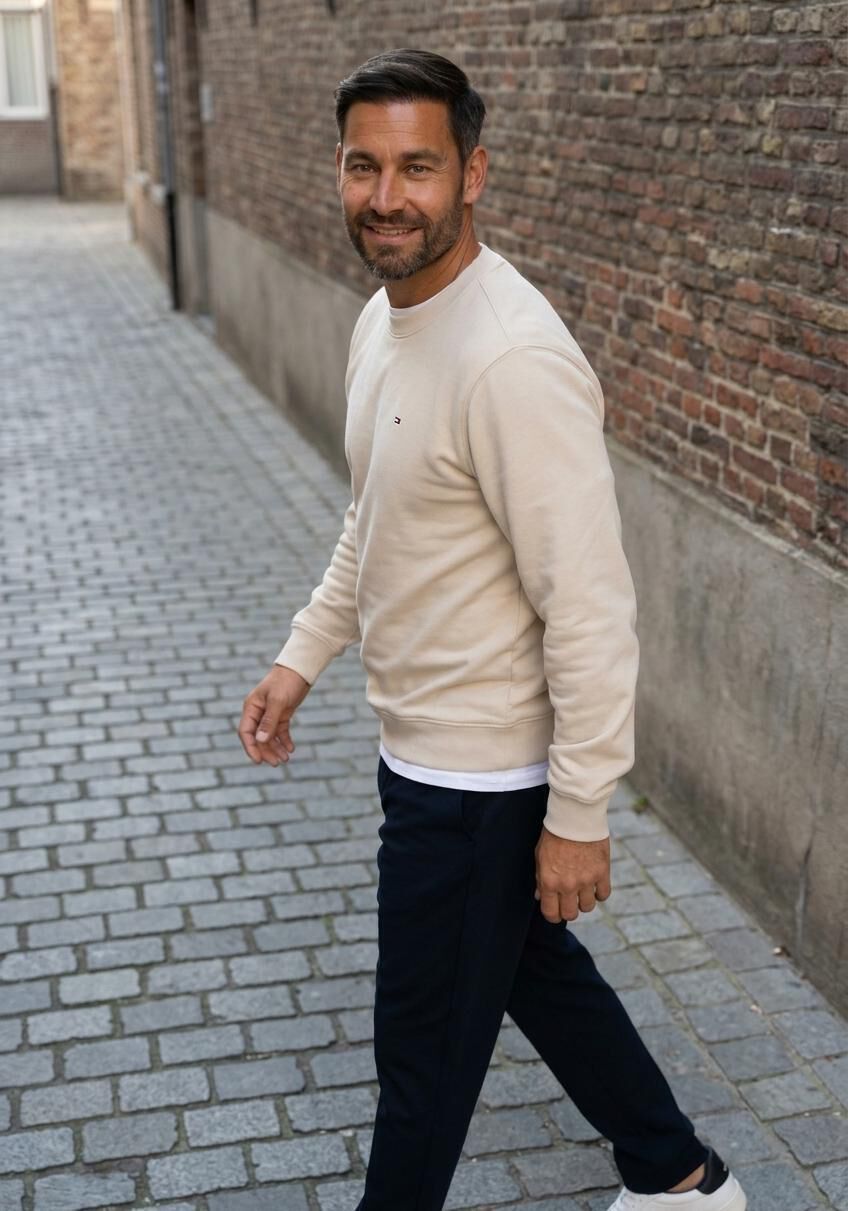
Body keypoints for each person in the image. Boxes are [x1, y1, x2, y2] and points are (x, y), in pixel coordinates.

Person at [238, 48, 747, 1211]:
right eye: (363, 165)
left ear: (471, 175)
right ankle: (676, 1175)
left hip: (476, 784)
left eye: (416, 167)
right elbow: (377, 517)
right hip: (420, 753)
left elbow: (591, 607)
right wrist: (299, 655)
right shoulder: (383, 321)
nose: (385, 196)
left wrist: (577, 814)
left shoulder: (510, 359)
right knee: (524, 969)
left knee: (420, 1061)